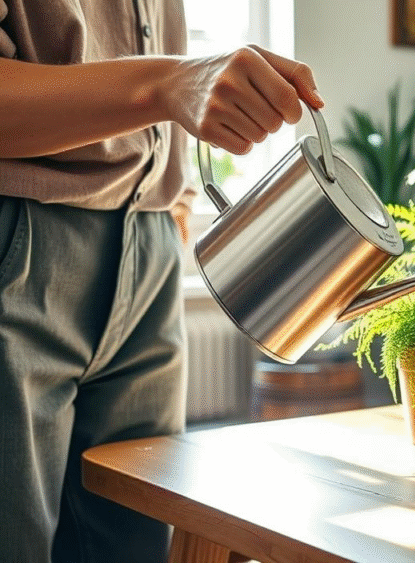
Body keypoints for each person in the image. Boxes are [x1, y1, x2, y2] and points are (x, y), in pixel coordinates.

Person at [0, 2, 322, 562]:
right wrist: (169, 83)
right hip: (22, 241)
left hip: (149, 249)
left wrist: (176, 200)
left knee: (137, 543)